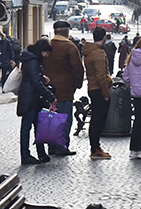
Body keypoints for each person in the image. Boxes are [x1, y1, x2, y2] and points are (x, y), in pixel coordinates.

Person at [40, 20, 84, 156]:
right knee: (64, 119)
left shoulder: (47, 46)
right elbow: (78, 69)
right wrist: (76, 85)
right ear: (67, 31)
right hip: (65, 90)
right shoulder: (70, 47)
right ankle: (62, 146)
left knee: (51, 119)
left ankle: (51, 146)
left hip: (48, 90)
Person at [17, 39, 57, 165]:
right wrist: (51, 97)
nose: (47, 56)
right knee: (27, 127)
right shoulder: (33, 61)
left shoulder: (30, 59)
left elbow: (33, 77)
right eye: (46, 52)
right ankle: (26, 155)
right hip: (30, 98)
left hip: (31, 97)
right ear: (41, 50)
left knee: (36, 126)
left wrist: (41, 76)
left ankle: (40, 153)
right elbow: (36, 83)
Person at [82, 27, 112, 159]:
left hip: (92, 87)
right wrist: (106, 93)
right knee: (98, 120)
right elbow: (101, 76)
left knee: (95, 119)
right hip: (99, 90)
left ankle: (95, 147)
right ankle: (95, 149)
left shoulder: (90, 52)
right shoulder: (98, 54)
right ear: (104, 37)